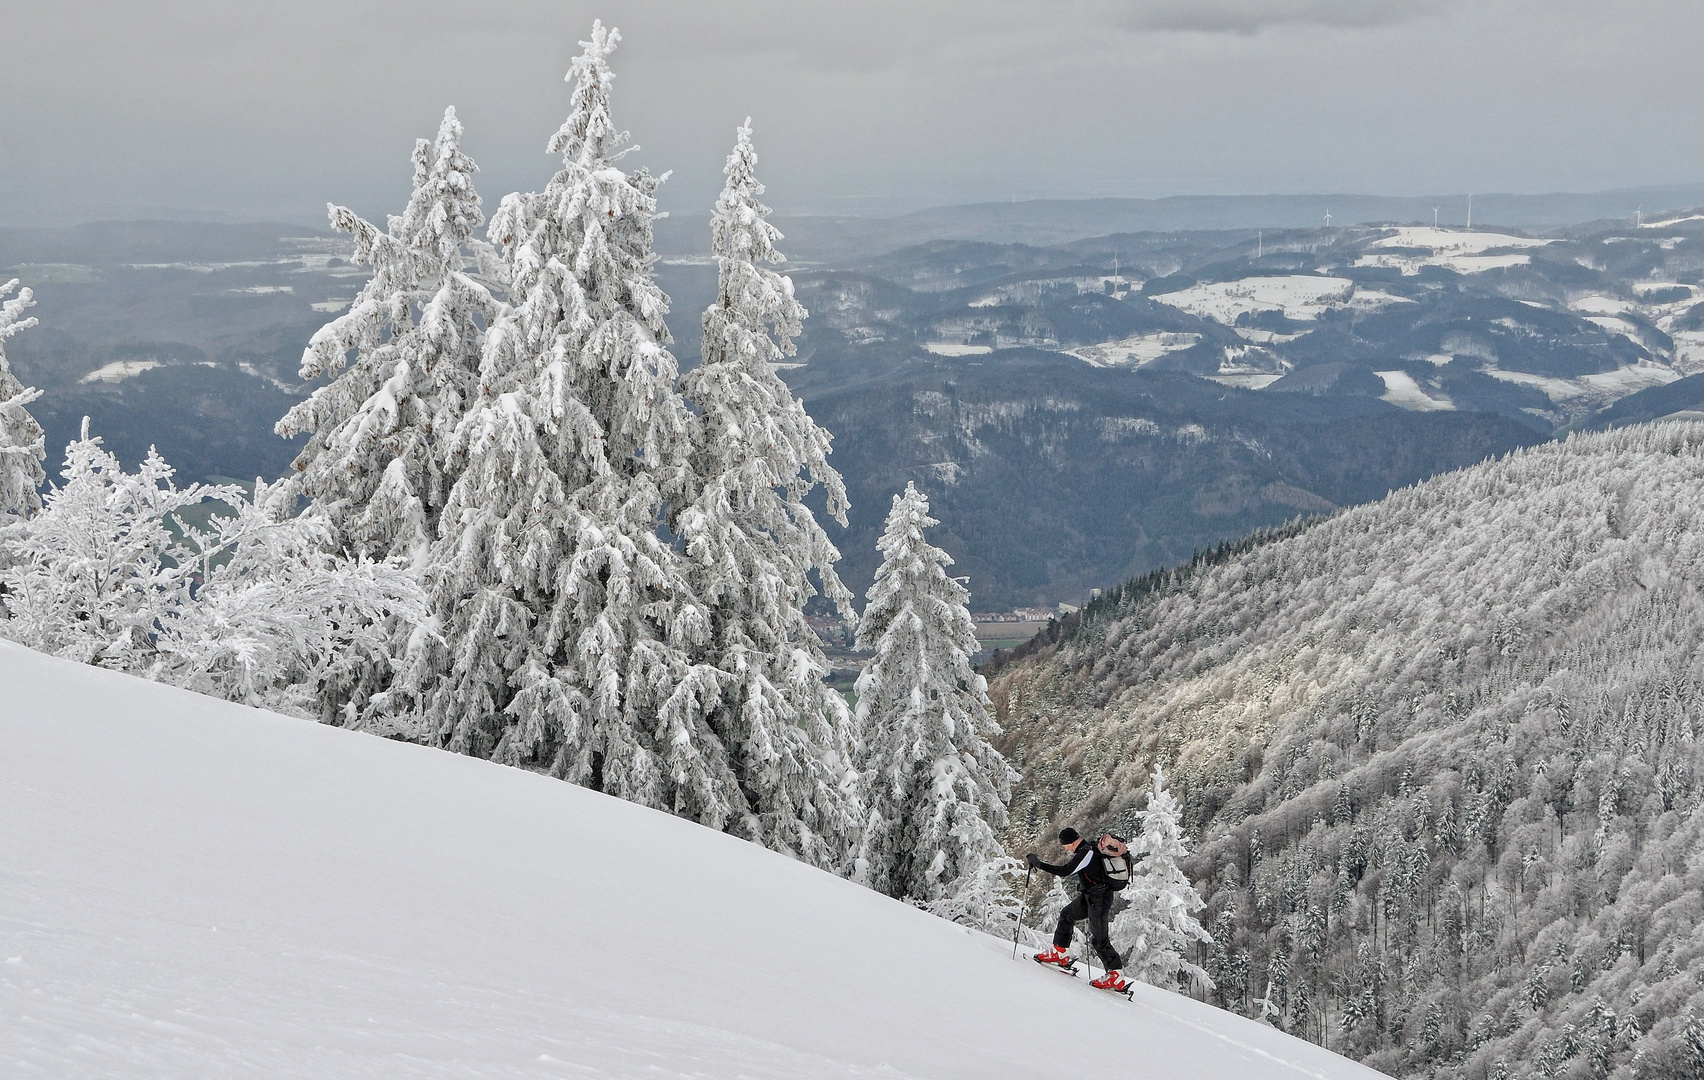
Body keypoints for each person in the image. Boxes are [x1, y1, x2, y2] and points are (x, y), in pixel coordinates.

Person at [1028, 827, 1130, 991]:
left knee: (1099, 938)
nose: (1065, 849)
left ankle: (1115, 974)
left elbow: (1065, 871)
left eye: (1065, 845)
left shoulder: (1086, 852)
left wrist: (1039, 864)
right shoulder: (1087, 849)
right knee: (1067, 914)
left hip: (1099, 900)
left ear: (1072, 842)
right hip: (1090, 897)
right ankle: (1060, 953)